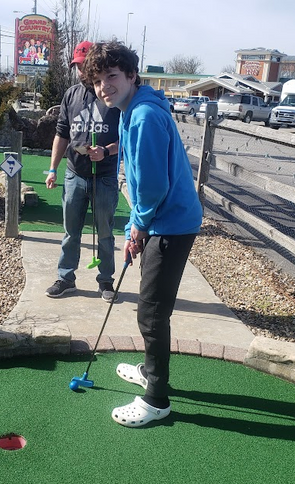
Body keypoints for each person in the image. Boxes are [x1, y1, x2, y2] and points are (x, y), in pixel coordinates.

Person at [82, 40, 203, 427]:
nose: (104, 86)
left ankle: (157, 399)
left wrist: (139, 225)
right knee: (150, 308)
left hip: (171, 223)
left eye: (112, 76)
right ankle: (152, 370)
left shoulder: (145, 116)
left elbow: (151, 186)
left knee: (151, 312)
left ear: (132, 75)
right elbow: (137, 178)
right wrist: (137, 223)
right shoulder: (132, 110)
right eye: (98, 80)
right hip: (160, 220)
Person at [45, 41, 121, 302]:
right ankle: (66, 278)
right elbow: (61, 134)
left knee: (106, 232)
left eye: (82, 65)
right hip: (75, 174)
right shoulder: (71, 95)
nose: (79, 71)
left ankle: (106, 281)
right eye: (76, 66)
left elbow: (127, 138)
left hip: (105, 175)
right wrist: (52, 168)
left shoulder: (114, 95)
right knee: (71, 231)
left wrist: (107, 151)